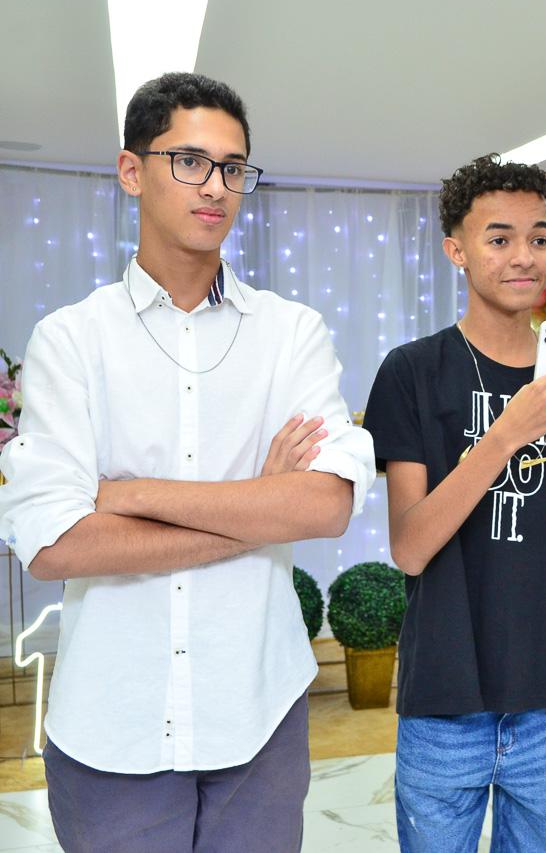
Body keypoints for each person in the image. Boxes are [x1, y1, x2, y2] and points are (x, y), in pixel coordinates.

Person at [0, 72, 375, 852]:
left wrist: (129, 494)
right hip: (112, 724)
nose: (216, 186)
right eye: (191, 161)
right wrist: (258, 503)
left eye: (233, 168)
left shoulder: (290, 332)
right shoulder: (71, 340)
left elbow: (325, 505)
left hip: (259, 714)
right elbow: (55, 544)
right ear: (131, 171)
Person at [362, 153, 546, 853]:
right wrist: (508, 432)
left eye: (538, 238)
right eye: (498, 238)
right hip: (444, 704)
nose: (523, 256)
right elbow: (410, 547)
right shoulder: (413, 371)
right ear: (457, 251)